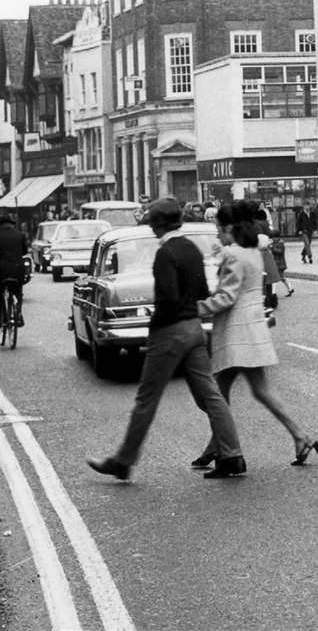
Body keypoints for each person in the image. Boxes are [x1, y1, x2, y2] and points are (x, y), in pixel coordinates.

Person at [87, 197, 244, 481]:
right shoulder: (192, 249)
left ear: (156, 225)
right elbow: (203, 290)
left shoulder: (165, 254)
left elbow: (168, 297)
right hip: (195, 328)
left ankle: (123, 460)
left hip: (169, 332)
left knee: (146, 398)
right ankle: (232, 455)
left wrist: (157, 327)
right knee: (211, 395)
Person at [192, 201, 318, 469]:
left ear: (230, 228)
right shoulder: (252, 252)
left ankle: (221, 447)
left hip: (235, 331)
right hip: (252, 327)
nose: (217, 233)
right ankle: (298, 436)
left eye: (219, 228)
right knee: (250, 391)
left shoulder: (235, 255)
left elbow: (226, 297)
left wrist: (194, 308)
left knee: (218, 394)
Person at [0, 215, 29, 330]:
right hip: (17, 269)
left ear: (0, 225)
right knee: (18, 293)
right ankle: (18, 314)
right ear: (12, 224)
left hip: (0, 271)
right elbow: (25, 251)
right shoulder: (20, 236)